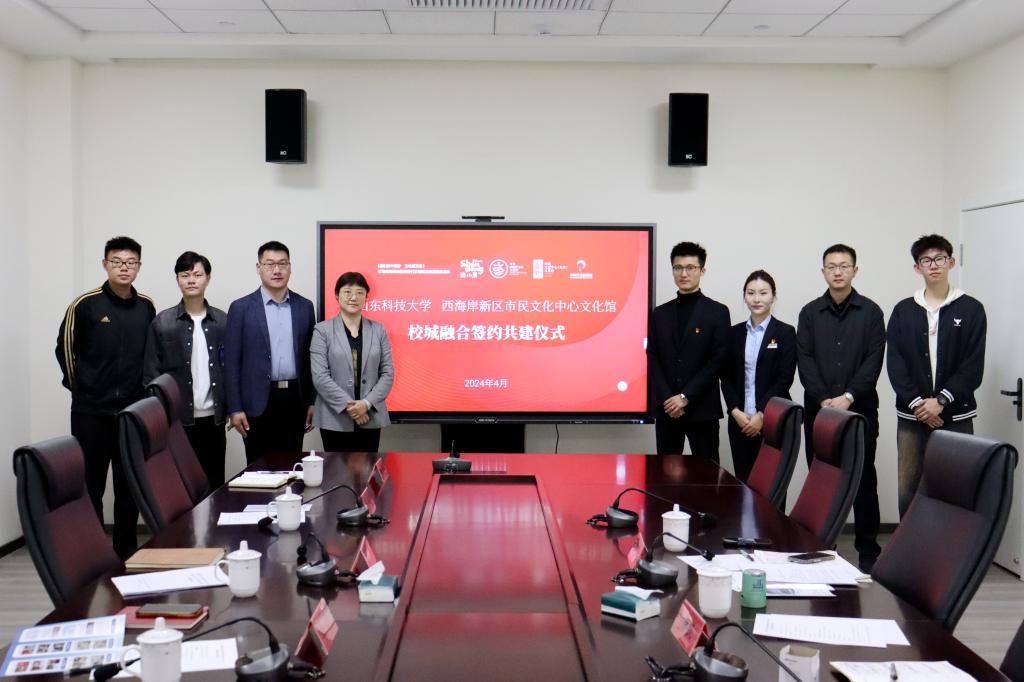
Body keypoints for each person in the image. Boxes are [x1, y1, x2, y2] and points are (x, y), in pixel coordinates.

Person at [56, 236, 155, 559]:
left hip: (132, 414)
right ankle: (94, 553)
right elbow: (65, 350)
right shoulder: (85, 305)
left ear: (139, 266)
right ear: (105, 264)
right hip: (91, 413)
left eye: (130, 262)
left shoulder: (146, 306)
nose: (124, 268)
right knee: (91, 487)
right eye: (117, 262)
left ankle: (125, 552)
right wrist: (84, 389)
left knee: (129, 487)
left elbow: (150, 357)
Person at [797, 243, 885, 571]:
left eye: (844, 266)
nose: (837, 272)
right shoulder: (809, 313)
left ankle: (868, 551)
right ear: (823, 271)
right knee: (821, 479)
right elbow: (804, 359)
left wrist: (848, 396)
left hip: (860, 410)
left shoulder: (871, 312)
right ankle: (823, 546)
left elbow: (873, 361)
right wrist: (823, 399)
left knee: (864, 480)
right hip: (818, 411)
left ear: (854, 270)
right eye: (831, 266)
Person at [886, 234, 986, 518]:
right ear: (917, 267)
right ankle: (910, 546)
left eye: (940, 258)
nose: (933, 265)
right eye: (926, 260)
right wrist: (920, 405)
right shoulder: (904, 310)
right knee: (908, 489)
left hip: (956, 415)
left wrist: (941, 401)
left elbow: (973, 366)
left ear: (951, 262)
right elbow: (895, 364)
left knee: (957, 488)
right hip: (912, 417)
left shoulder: (971, 309)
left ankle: (952, 547)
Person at [224, 241, 315, 463]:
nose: (277, 270)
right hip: (256, 403)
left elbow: (309, 358)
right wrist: (234, 408)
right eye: (270, 264)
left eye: (282, 264)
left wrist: (312, 401)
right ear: (259, 268)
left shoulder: (305, 307)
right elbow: (231, 363)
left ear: (290, 268)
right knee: (258, 469)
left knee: (292, 467)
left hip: (295, 401)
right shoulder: (241, 308)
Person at [143, 251, 228, 489]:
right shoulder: (163, 322)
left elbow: (231, 369)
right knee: (180, 487)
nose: (191, 280)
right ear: (177, 280)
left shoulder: (222, 321)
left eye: (197, 275)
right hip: (177, 421)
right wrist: (161, 417)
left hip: (214, 420)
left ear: (208, 278)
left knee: (214, 484)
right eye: (185, 275)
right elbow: (151, 375)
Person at [648, 241, 731, 461]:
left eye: (690, 268)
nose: (683, 274)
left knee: (706, 474)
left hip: (702, 410)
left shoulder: (718, 312)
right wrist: (669, 399)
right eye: (678, 267)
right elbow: (653, 357)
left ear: (702, 271)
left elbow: (717, 361)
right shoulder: (660, 313)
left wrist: (685, 397)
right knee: (665, 473)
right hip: (667, 409)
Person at [720, 270, 797, 483]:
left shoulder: (785, 332)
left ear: (773, 296)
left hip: (772, 420)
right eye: (751, 293)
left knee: (773, 487)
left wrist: (762, 414)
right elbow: (725, 376)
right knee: (744, 484)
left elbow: (784, 379)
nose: (756, 299)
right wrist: (735, 411)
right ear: (744, 296)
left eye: (763, 293)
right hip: (740, 421)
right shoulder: (733, 333)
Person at [311, 272, 394, 453]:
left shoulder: (378, 330)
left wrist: (366, 404)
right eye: (347, 292)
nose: (353, 297)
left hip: (370, 416)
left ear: (366, 297)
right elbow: (320, 376)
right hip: (334, 418)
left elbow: (387, 373)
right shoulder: (322, 331)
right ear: (337, 295)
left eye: (359, 292)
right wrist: (351, 407)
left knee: (367, 468)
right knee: (336, 469)